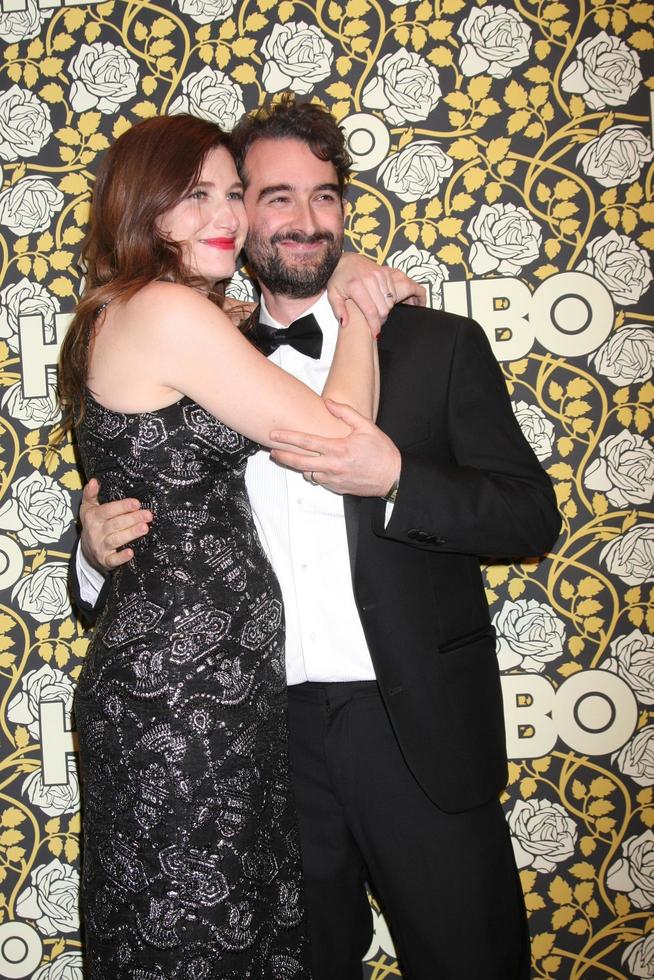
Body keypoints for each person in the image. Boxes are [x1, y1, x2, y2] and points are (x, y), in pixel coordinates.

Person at [71, 100, 561, 980]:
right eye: (271, 196)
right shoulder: (198, 341)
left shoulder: (439, 345)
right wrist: (90, 546)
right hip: (256, 731)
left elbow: (528, 515)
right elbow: (151, 493)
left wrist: (401, 481)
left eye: (325, 197)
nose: (302, 220)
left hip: (409, 718)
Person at [58, 111, 404, 979]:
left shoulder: (154, 312)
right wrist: (355, 306)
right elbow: (339, 437)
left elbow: (147, 481)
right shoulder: (170, 311)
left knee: (215, 931)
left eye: (232, 194)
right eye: (194, 196)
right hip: (181, 703)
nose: (227, 215)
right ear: (144, 211)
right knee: (197, 939)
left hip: (208, 692)